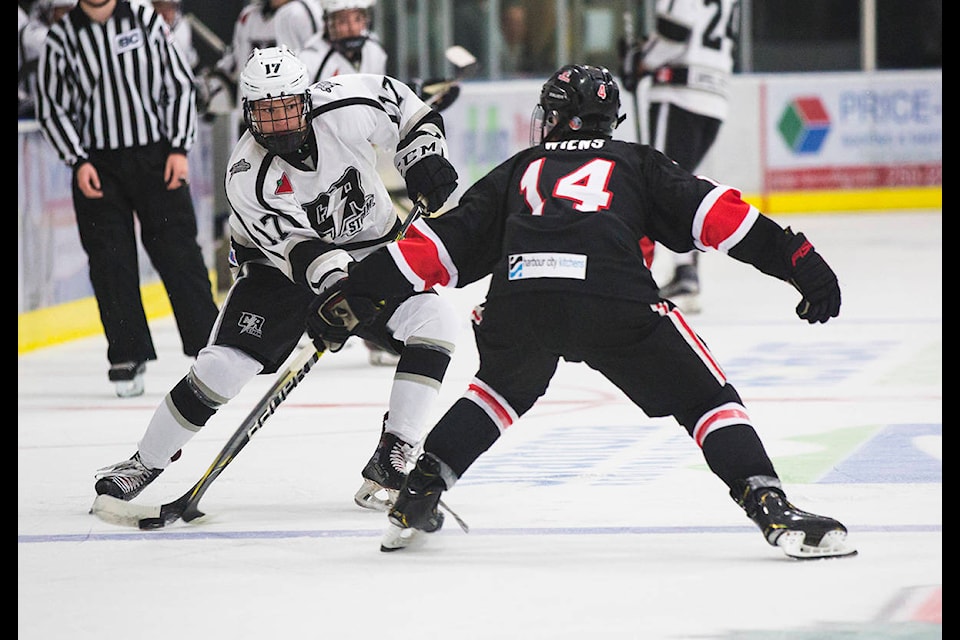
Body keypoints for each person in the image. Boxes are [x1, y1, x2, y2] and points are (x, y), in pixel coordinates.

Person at [309, 64, 854, 560]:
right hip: (611, 297)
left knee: (499, 389)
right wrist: (798, 262)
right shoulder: (636, 162)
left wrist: (356, 294)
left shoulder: (520, 167)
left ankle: (420, 490)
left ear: (554, 117)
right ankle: (770, 505)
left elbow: (439, 245)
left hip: (518, 299)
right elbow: (722, 218)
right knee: (705, 399)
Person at [92, 45, 461, 515]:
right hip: (277, 272)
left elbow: (406, 107)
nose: (280, 122)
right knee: (222, 368)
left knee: (436, 323)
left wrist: (423, 156)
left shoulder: (344, 102)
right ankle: (145, 461)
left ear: (305, 100)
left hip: (372, 247)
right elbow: (300, 251)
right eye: (266, 113)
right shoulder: (247, 175)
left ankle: (395, 454)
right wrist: (344, 292)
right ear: (248, 113)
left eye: (288, 107)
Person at [34, 0, 219, 398]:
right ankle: (127, 353)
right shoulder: (62, 37)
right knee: (109, 260)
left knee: (178, 253)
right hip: (98, 166)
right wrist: (76, 160)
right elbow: (52, 108)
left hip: (157, 157)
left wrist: (178, 148)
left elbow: (178, 84)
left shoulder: (143, 17)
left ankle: (210, 347)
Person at [620, 0, 740, 313]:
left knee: (656, 182)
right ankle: (685, 269)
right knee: (677, 183)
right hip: (715, 97)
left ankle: (655, 272)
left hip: (680, 92)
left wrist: (642, 60)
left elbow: (676, 31)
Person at [298, 0, 386, 82]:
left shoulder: (375, 51)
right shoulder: (307, 61)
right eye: (342, 21)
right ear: (328, 23)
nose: (352, 28)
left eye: (358, 19)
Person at [18, 0, 76, 119]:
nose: (69, 17)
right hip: (28, 116)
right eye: (64, 11)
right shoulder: (34, 33)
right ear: (49, 10)